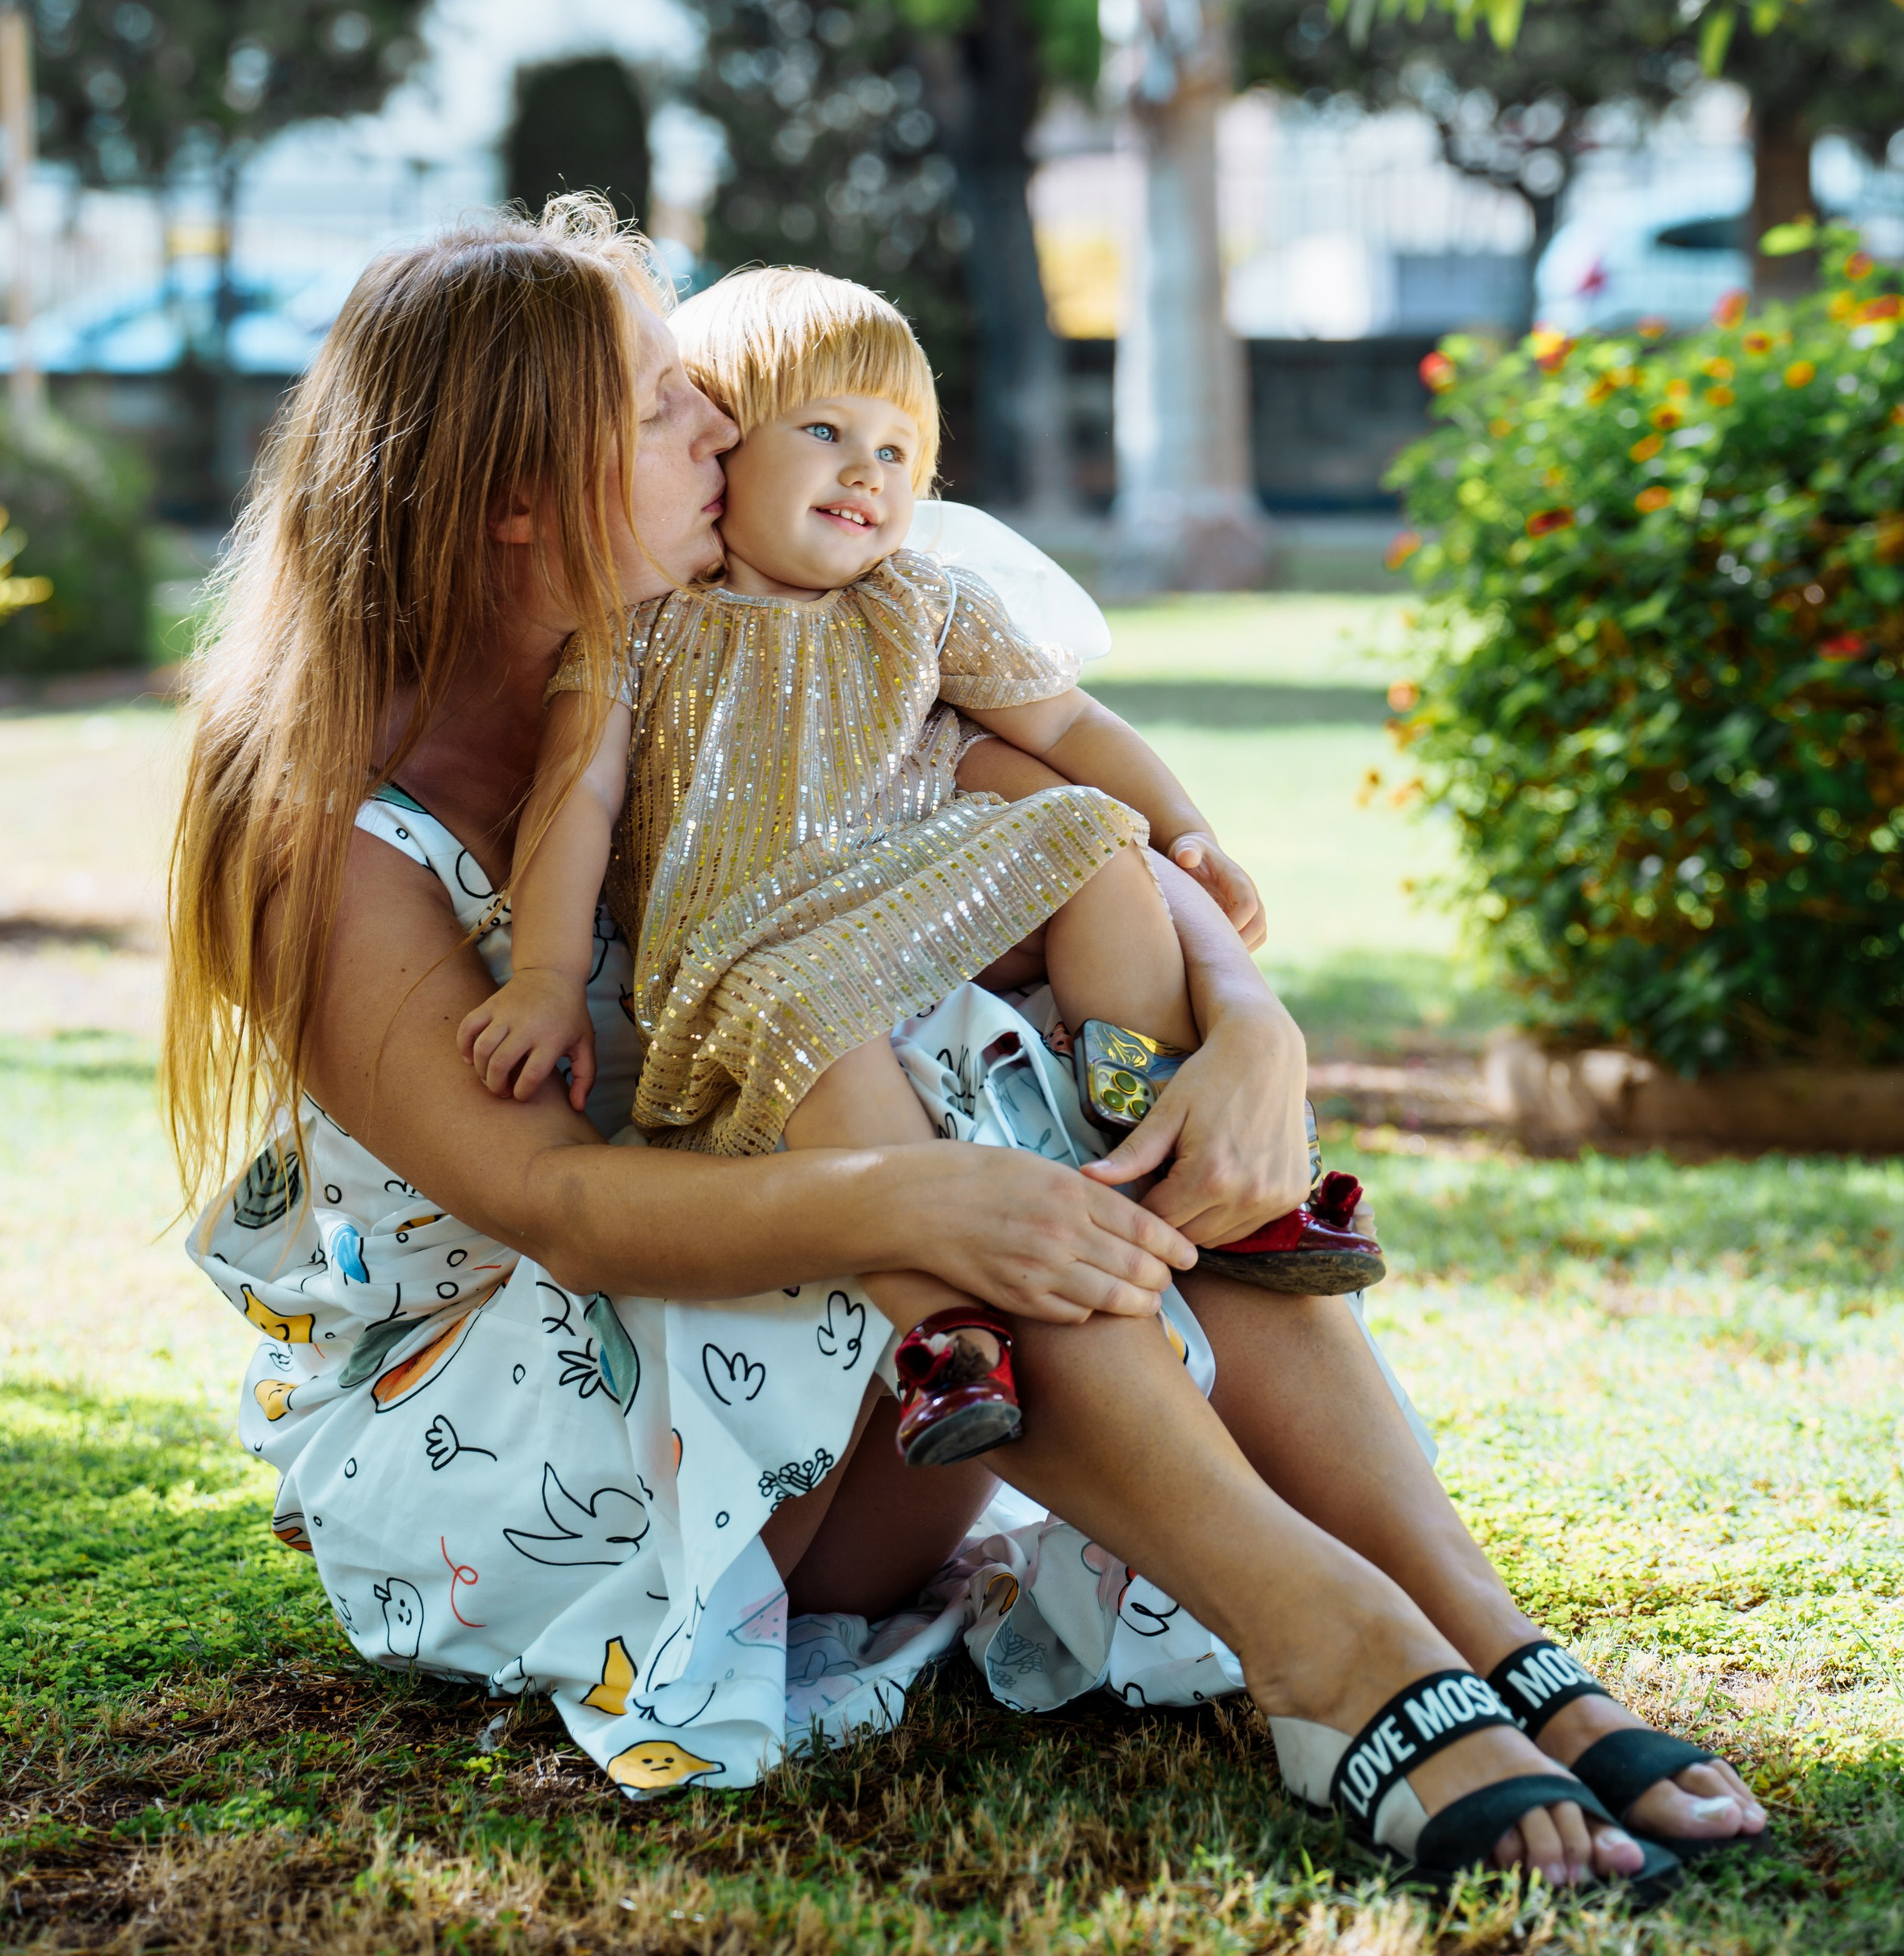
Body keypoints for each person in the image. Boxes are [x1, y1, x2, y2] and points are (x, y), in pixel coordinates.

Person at [166, 203, 1766, 1899]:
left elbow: (1037, 811)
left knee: (1045, 1057)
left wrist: (1244, 1025)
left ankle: (1486, 1636)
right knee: (932, 1071)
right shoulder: (325, 831)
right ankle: (1336, 1651)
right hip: (549, 1458)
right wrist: (920, 1204)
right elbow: (559, 1204)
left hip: (861, 1402)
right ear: (511, 497)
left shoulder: (769, 628)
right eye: (658, 404)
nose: (719, 418)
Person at [459, 265, 1382, 1472]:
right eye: (828, 432)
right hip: (752, 949)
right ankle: (943, 1335)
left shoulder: (924, 605)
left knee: (1091, 835)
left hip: (914, 892)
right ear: (724, 448)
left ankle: (1160, 1125)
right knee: (814, 1024)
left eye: (902, 450)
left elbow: (1073, 733)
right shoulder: (645, 624)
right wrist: (544, 973)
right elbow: (576, 799)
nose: (868, 473)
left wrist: (1183, 825)